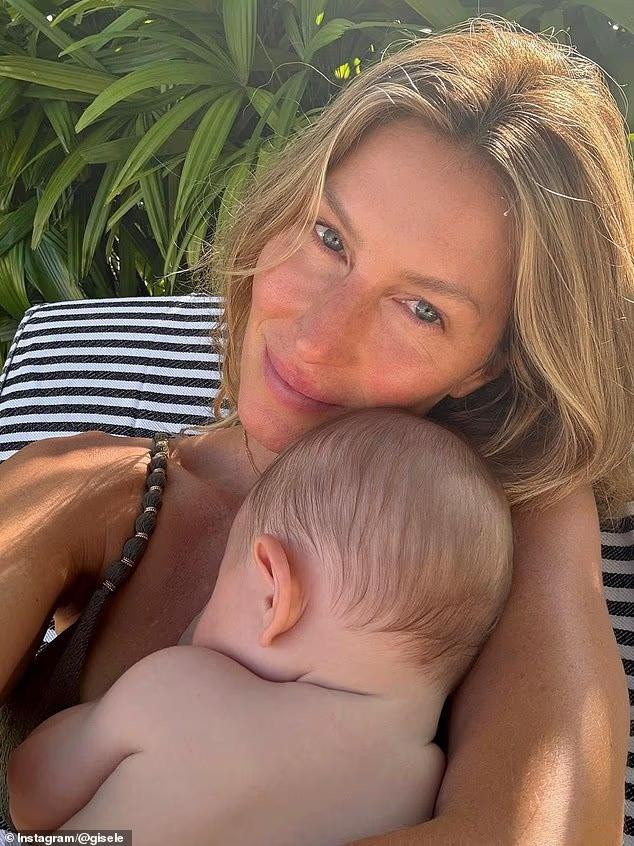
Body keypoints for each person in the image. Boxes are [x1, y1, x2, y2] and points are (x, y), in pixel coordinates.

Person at [0, 16, 631, 845]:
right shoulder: (86, 486)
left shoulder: (506, 526)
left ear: (490, 364)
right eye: (329, 238)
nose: (318, 338)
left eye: (421, 309)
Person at [7, 408, 512, 843]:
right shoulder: (425, 786)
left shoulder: (176, 687)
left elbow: (31, 798)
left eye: (219, 584)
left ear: (273, 595)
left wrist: (102, 720)